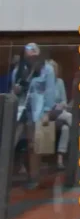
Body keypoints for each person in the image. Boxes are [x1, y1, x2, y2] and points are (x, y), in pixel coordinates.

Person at [11, 43, 56, 188]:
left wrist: (47, 112)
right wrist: (16, 89)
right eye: (29, 57)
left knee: (34, 146)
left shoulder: (47, 70)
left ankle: (33, 177)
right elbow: (13, 93)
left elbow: (50, 91)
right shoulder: (19, 71)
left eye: (35, 57)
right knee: (11, 141)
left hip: (38, 111)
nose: (32, 60)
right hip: (21, 110)